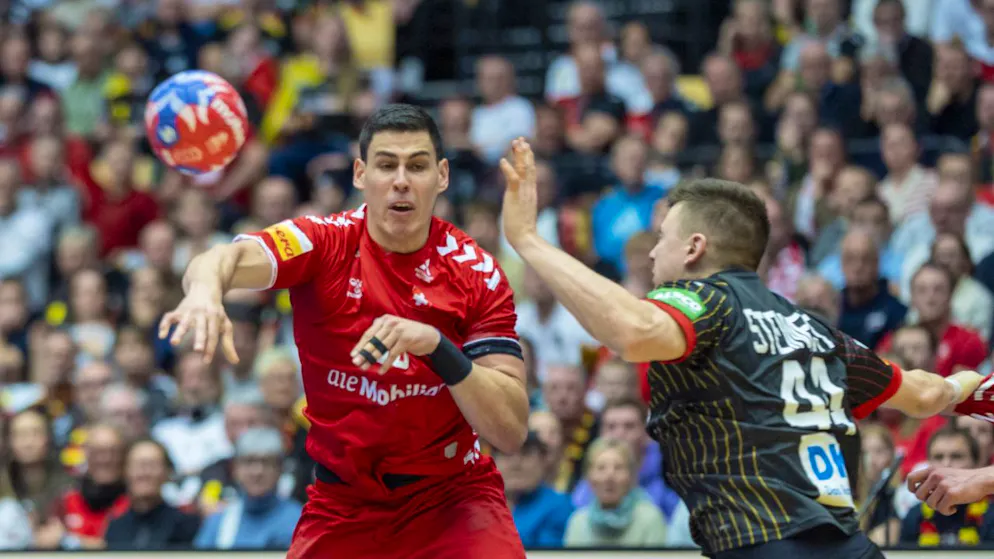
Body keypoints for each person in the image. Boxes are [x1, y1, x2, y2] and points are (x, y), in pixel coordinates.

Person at [498, 138, 994, 558]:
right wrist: (972, 389)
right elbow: (929, 395)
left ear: (694, 248)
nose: (650, 251)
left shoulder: (702, 299)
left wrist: (529, 241)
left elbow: (631, 331)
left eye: (661, 238)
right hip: (849, 545)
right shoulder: (814, 328)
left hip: (765, 543)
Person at [158, 104, 528, 559]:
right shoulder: (323, 241)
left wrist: (436, 346)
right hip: (344, 504)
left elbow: (510, 430)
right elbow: (223, 258)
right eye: (386, 164)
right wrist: (205, 291)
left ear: (442, 176)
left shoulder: (477, 273)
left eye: (417, 165)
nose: (401, 181)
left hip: (452, 498)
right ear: (359, 174)